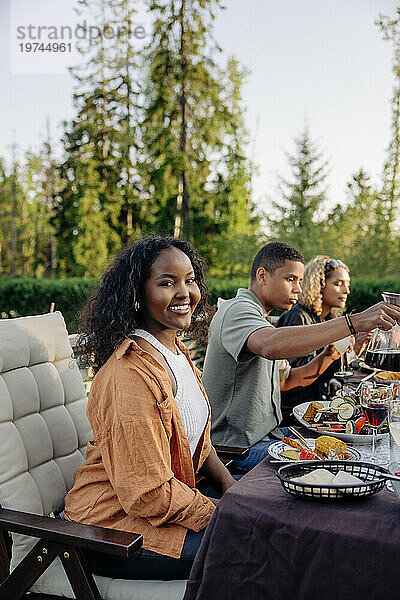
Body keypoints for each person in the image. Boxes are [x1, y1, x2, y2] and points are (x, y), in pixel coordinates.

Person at [64, 236, 236, 581]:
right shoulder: (128, 375)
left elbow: (200, 445)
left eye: (189, 280)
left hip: (167, 504)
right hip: (112, 530)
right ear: (137, 295)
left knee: (276, 511)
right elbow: (148, 493)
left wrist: (232, 489)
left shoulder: (177, 355)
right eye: (167, 283)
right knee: (259, 546)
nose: (185, 292)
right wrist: (224, 513)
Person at [202, 241, 400, 473]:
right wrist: (353, 323)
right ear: (262, 275)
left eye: (300, 281)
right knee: (341, 466)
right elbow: (270, 345)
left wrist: (328, 356)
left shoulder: (259, 319)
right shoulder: (237, 309)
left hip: (271, 435)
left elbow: (289, 381)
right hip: (235, 450)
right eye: (290, 280)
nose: (298, 289)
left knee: (352, 443)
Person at [276, 255, 371, 424]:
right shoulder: (298, 317)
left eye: (347, 284)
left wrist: (353, 352)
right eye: (338, 284)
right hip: (295, 414)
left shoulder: (324, 320)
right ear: (319, 285)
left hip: (314, 407)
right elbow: (298, 376)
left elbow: (326, 370)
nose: (346, 291)